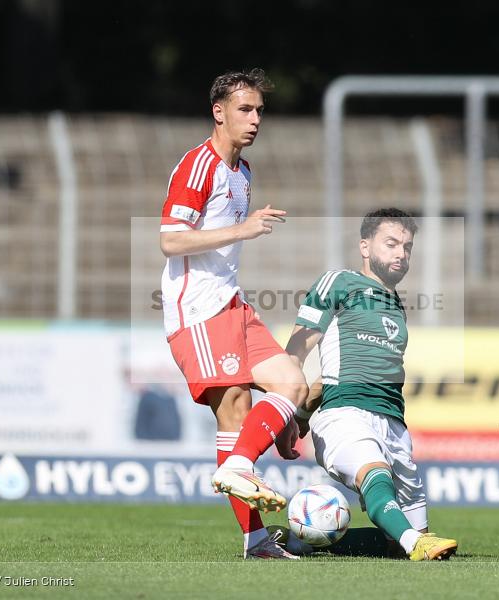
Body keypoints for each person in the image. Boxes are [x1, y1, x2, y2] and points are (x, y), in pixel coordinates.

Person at [159, 68, 308, 559]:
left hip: (232, 302)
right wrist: (243, 230)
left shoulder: (242, 173)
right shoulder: (197, 166)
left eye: (260, 110)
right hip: (199, 310)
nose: (255, 119)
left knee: (292, 384)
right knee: (235, 410)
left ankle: (239, 467)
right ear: (218, 112)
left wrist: (281, 417)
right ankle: (258, 541)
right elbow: (170, 239)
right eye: (245, 109)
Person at [281, 208, 458, 561]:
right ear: (365, 246)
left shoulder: (395, 305)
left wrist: (302, 411)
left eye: (407, 247)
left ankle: (302, 540)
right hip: (345, 414)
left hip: (394, 423)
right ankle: (414, 542)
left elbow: (330, 371)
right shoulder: (339, 282)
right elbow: (296, 351)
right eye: (391, 243)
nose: (400, 253)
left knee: (398, 542)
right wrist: (289, 411)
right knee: (373, 474)